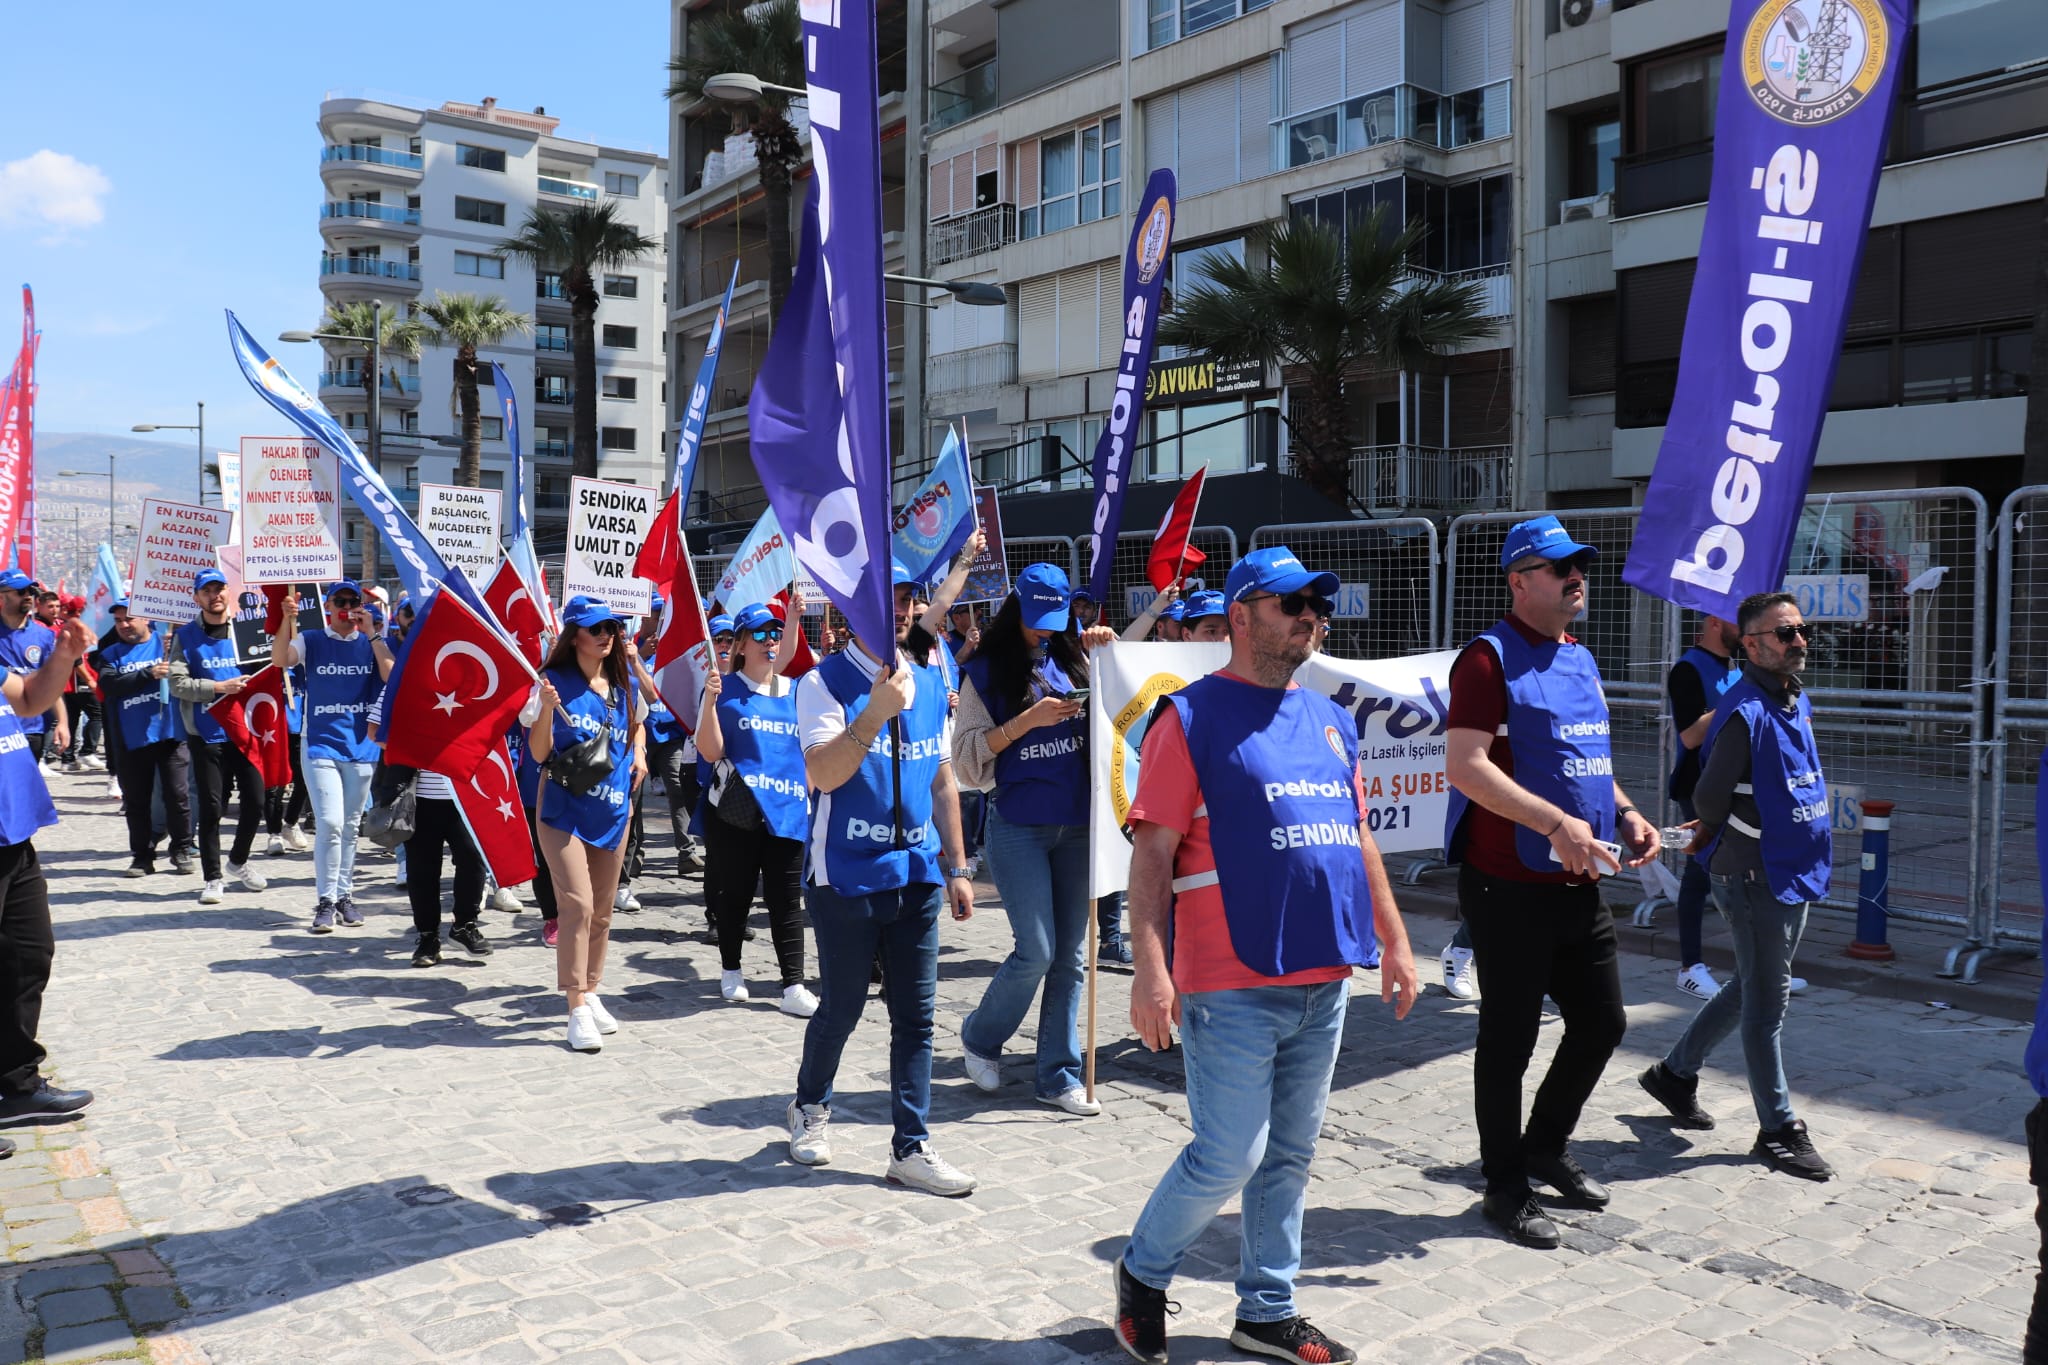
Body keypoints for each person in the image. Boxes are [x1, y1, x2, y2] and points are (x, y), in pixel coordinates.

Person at [1114, 546, 1417, 1365]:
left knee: (1290, 1154)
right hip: (1229, 981)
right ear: (1242, 616)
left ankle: (1268, 1310)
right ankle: (1142, 1273)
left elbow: (1358, 838)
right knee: (1230, 1154)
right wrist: (1150, 969)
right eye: (1292, 604)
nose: (1311, 616)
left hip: (1325, 976)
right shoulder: (1189, 718)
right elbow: (1152, 855)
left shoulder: (1329, 718)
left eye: (1318, 604)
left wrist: (1394, 940)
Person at [1441, 515, 1660, 1249]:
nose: (1576, 577)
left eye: (1580, 566)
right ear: (1519, 581)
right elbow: (1465, 766)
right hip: (1506, 884)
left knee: (1603, 1023)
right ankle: (1504, 1186)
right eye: (1560, 567)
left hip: (1578, 879)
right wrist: (1554, 824)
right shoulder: (1486, 660)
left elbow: (1587, 761)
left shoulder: (1580, 656)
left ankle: (1544, 1146)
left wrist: (1626, 813)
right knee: (1509, 1039)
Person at [785, 560, 978, 1197]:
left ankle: (910, 1146)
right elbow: (823, 774)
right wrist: (873, 714)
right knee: (841, 1007)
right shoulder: (822, 682)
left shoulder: (930, 676)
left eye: (907, 598)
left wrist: (958, 867)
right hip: (844, 876)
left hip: (917, 874)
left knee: (916, 1019)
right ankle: (810, 1104)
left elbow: (942, 780)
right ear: (852, 609)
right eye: (885, 599)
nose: (900, 609)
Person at [1640, 592, 1834, 1181]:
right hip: (1753, 874)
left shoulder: (1793, 696)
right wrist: (1716, 827)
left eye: (1800, 629)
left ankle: (1673, 1074)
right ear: (1750, 645)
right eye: (1784, 633)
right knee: (1768, 1003)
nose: (1798, 640)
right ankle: (1778, 1129)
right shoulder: (1745, 711)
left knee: (1754, 981)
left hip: (1790, 866)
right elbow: (1707, 797)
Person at [954, 563, 1109, 1116]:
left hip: (1078, 826)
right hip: (1019, 824)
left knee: (1071, 957)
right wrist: (1028, 721)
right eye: (1037, 617)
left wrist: (1110, 654)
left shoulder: (1076, 658)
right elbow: (966, 762)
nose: (1046, 628)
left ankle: (1058, 1075)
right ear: (1016, 609)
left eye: (1056, 618)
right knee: (1037, 950)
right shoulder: (985, 670)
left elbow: (1127, 711)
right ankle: (980, 1035)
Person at [526, 596, 646, 1052]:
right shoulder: (551, 682)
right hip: (563, 809)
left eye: (611, 627)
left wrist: (639, 752)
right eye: (595, 628)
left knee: (602, 908)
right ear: (574, 635)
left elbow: (638, 724)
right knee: (576, 903)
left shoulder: (624, 682)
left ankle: (592, 989)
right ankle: (576, 1004)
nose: (605, 635)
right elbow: (539, 753)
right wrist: (544, 708)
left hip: (613, 808)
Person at [0, 610, 101, 1144]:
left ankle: (16, 1087)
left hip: (13, 834)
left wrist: (64, 654)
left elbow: (30, 700)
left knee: (27, 956)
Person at [694, 601, 818, 1014]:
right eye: (760, 635)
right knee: (736, 894)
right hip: (737, 812)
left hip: (788, 811)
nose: (770, 642)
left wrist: (810, 794)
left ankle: (793, 985)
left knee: (787, 901)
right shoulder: (723, 689)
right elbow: (711, 752)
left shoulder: (797, 691)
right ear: (742, 644)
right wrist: (709, 704)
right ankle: (731, 968)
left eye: (775, 634)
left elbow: (809, 750)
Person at [275, 582, 393, 933]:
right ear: (328, 606)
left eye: (353, 601)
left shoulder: (370, 642)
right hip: (320, 743)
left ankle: (344, 896)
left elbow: (392, 676)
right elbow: (281, 659)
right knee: (330, 823)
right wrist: (284, 620)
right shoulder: (311, 639)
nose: (347, 606)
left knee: (351, 827)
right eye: (340, 600)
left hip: (360, 747)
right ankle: (325, 900)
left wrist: (373, 634)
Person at [167, 570, 269, 906]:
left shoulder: (247, 630)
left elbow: (269, 669)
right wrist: (217, 687)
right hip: (207, 733)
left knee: (256, 801)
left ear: (229, 592)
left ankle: (238, 861)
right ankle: (212, 877)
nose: (215, 595)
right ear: (196, 597)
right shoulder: (186, 637)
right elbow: (177, 684)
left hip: (246, 730)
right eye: (207, 590)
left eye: (220, 588)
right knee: (212, 807)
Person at [1667, 615, 1742, 1000]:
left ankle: (1757, 968)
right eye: (1737, 620)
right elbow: (1690, 735)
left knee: (1745, 875)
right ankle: (1690, 968)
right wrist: (1739, 698)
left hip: (1734, 784)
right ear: (1715, 622)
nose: (1745, 628)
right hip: (1697, 787)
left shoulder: (1736, 668)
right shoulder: (1687, 669)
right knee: (1698, 873)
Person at [92, 604, 194, 878]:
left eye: (129, 618)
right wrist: (148, 674)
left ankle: (182, 849)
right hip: (131, 738)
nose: (124, 625)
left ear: (147, 618)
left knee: (178, 796)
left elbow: (193, 670)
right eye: (118, 621)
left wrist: (179, 650)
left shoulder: (168, 644)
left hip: (170, 734)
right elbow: (109, 685)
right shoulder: (110, 654)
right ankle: (142, 856)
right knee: (137, 801)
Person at [0, 571, 64, 764]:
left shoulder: (44, 636)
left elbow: (50, 683)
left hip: (33, 728)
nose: (28, 596)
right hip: (3, 725)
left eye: (31, 591)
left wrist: (62, 722)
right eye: (21, 591)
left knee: (25, 780)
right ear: (2, 596)